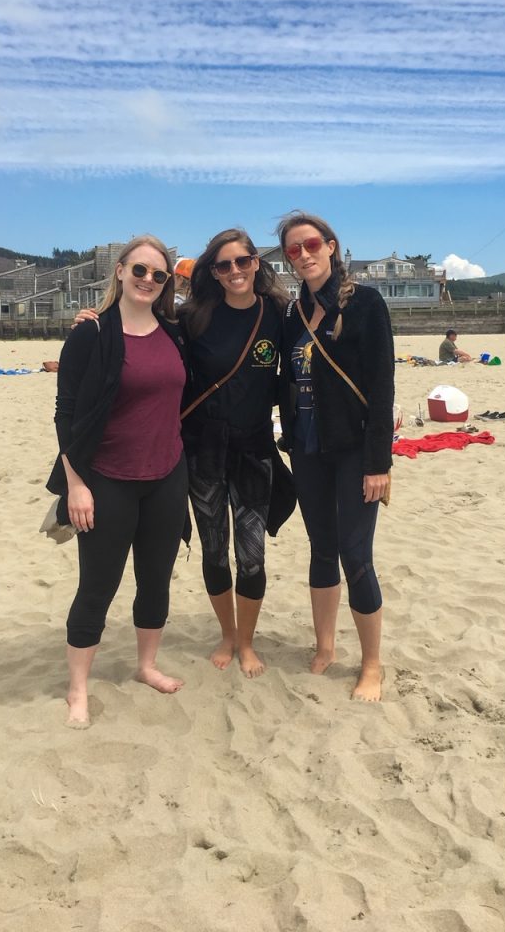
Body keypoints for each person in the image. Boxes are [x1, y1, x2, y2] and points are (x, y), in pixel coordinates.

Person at [47, 235, 190, 728]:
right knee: (98, 586)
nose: (148, 280)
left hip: (167, 476)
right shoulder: (92, 333)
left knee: (155, 582)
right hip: (106, 479)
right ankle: (78, 689)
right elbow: (66, 414)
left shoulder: (175, 332)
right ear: (120, 272)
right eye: (140, 271)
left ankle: (146, 665)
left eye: (158, 275)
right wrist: (76, 485)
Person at [276, 212, 394, 701]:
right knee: (321, 547)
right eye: (292, 251)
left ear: (330, 245)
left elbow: (382, 387)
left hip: (353, 450)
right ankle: (325, 646)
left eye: (309, 245)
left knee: (355, 554)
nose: (302, 255)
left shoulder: (365, 303)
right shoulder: (290, 312)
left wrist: (379, 463)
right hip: (306, 446)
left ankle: (371, 664)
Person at [181, 229, 292, 677]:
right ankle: (227, 634)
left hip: (254, 450)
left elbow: (319, 340)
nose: (235, 271)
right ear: (213, 271)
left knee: (252, 556)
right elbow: (140, 331)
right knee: (213, 552)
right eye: (224, 265)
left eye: (243, 261)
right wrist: (96, 320)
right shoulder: (194, 317)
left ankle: (246, 642)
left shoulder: (278, 314)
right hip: (204, 453)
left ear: (256, 264)